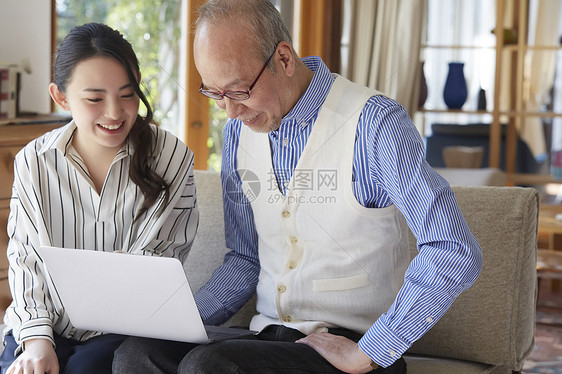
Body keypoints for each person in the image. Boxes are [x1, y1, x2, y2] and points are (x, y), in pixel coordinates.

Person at [113, 0, 482, 373]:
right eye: (214, 93)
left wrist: (371, 349)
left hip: (351, 347)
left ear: (284, 60)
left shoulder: (375, 124)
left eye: (238, 91)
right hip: (266, 342)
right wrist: (175, 322)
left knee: (207, 366)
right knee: (136, 354)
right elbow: (245, 259)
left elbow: (454, 248)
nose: (230, 111)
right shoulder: (237, 134)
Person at [0, 22, 198, 374]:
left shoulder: (171, 157)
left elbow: (161, 261)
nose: (114, 112)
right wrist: (38, 341)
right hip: (44, 325)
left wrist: (127, 273)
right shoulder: (34, 161)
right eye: (94, 99)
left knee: (86, 367)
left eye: (127, 94)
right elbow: (25, 259)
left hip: (127, 330)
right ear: (60, 97)